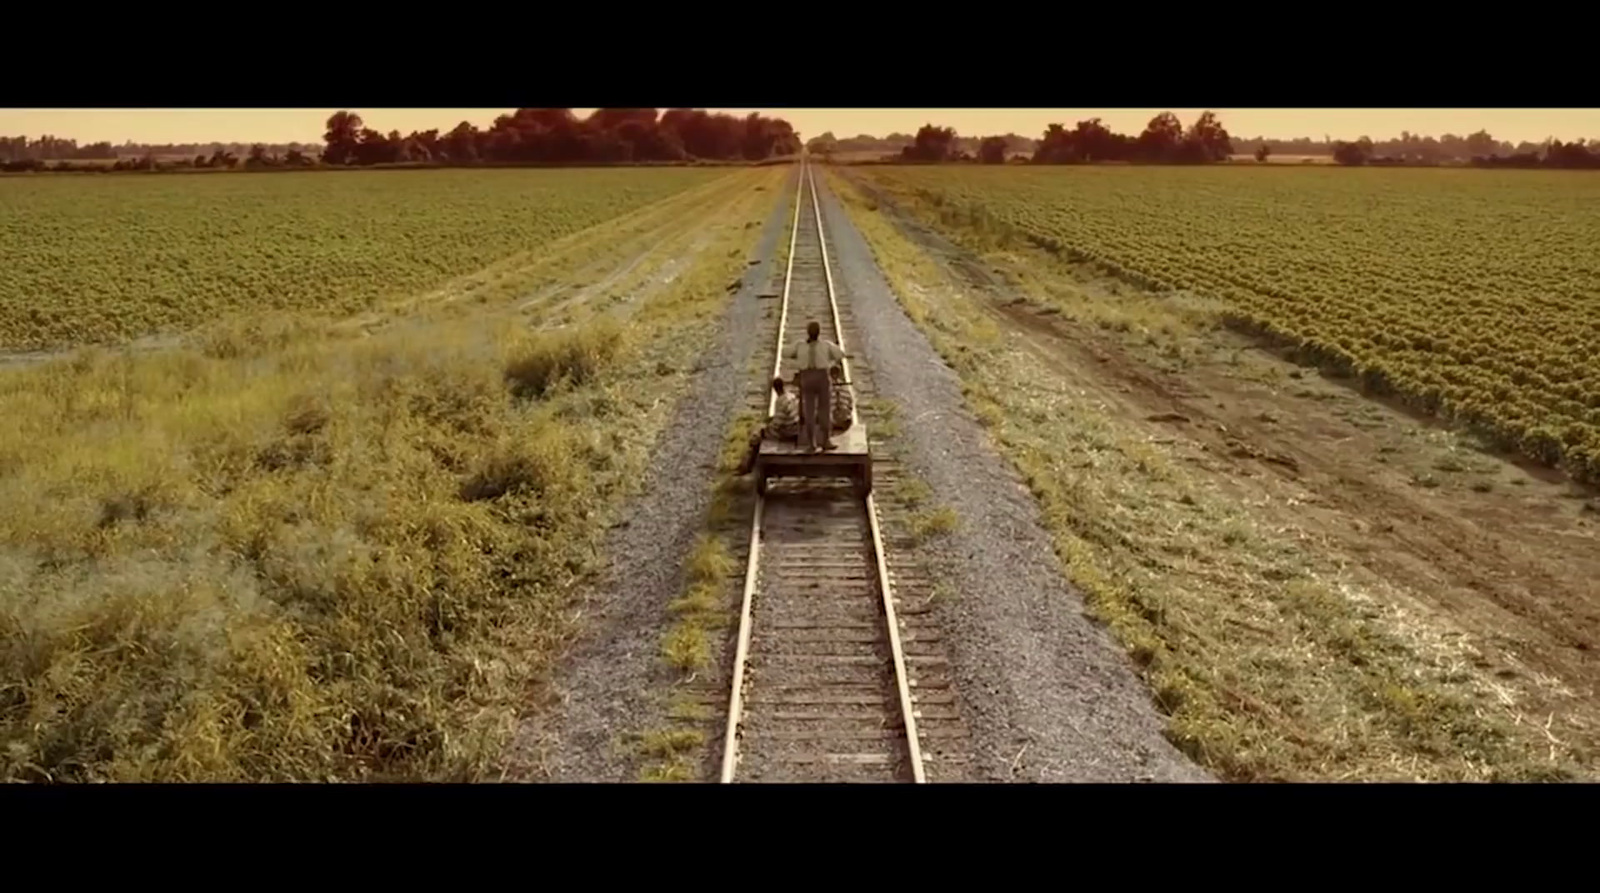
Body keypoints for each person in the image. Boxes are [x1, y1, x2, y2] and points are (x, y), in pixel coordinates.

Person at [784, 321, 846, 451]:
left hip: (806, 377)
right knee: (825, 409)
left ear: (808, 332)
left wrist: (799, 358)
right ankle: (826, 440)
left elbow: (786, 353)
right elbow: (840, 354)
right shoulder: (825, 345)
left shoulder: (800, 345)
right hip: (822, 376)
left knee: (809, 410)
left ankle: (812, 443)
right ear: (819, 332)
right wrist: (830, 360)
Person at [736, 376, 800, 475]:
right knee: (760, 431)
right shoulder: (792, 396)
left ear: (775, 389)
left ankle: (747, 466)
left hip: (788, 432)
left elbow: (777, 423)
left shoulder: (780, 402)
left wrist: (766, 429)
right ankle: (748, 465)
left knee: (757, 436)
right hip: (797, 428)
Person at [829, 363, 855, 433]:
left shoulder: (825, 387)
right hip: (839, 420)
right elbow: (850, 404)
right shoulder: (845, 388)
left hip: (835, 421)